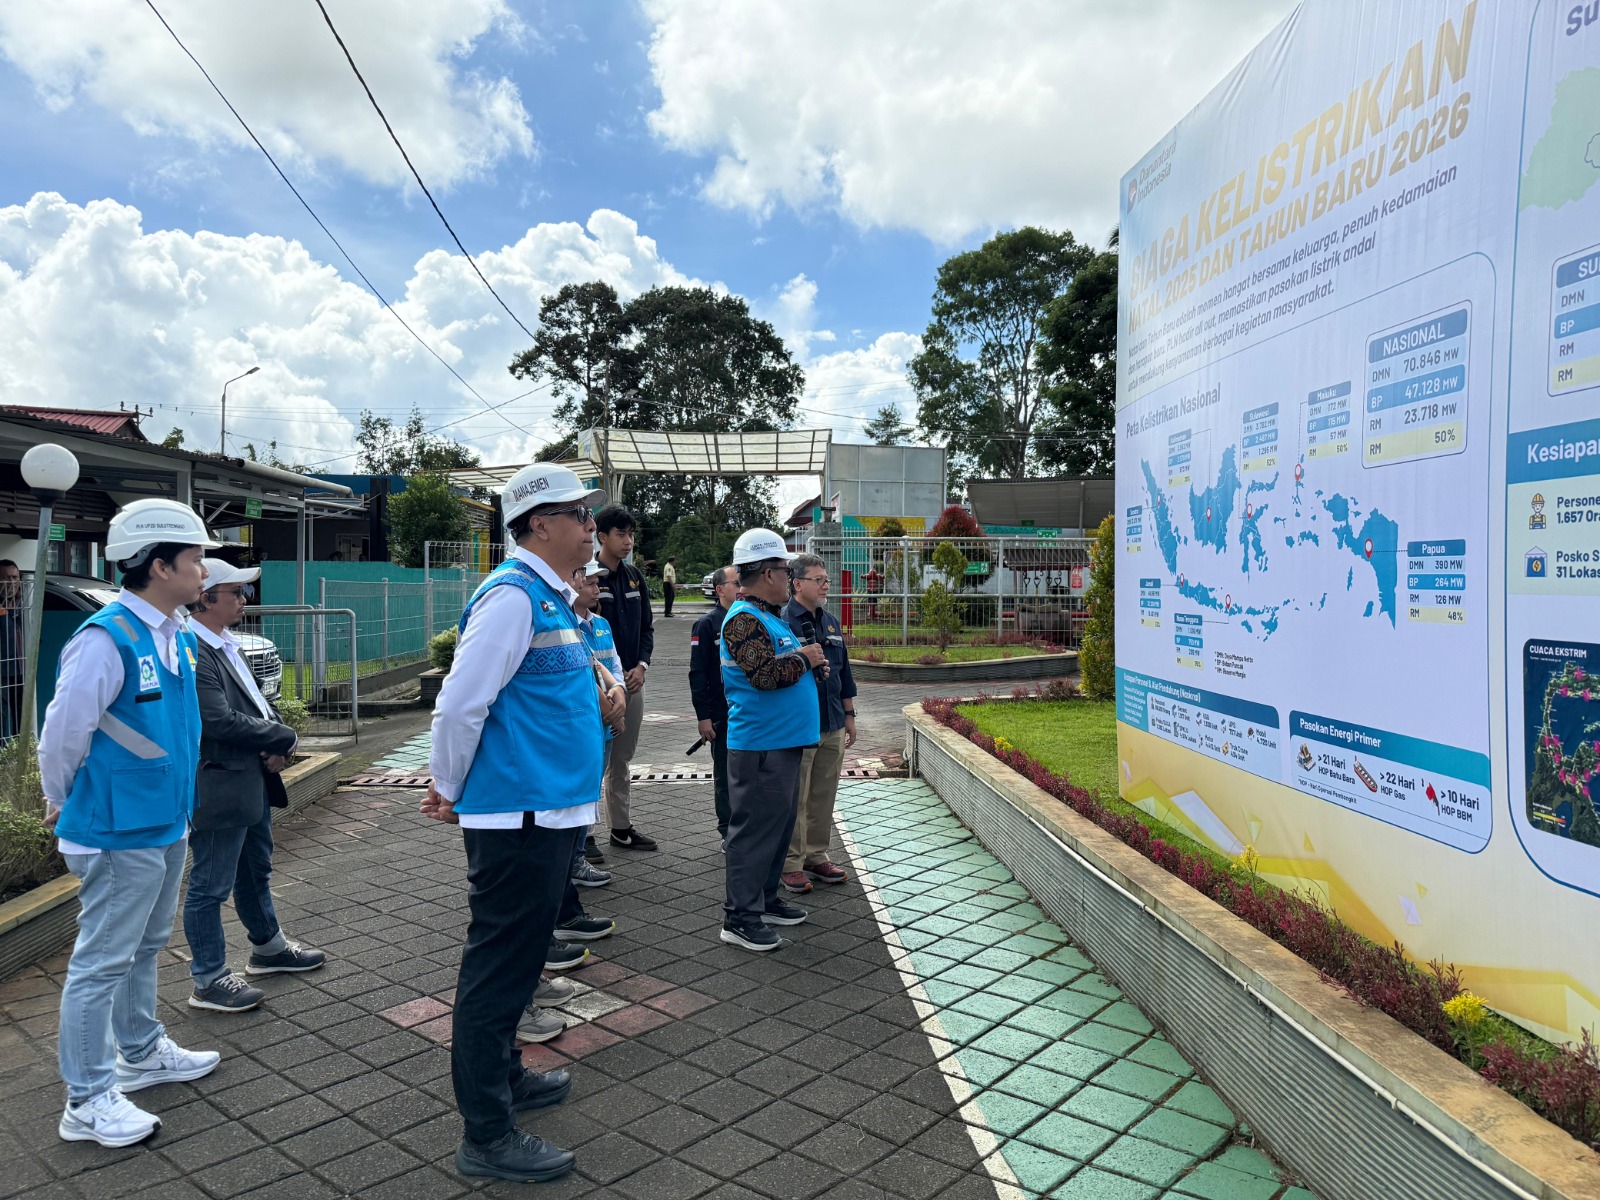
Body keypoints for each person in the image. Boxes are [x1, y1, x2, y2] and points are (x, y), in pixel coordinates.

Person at [423, 463, 611, 1185]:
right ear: (538, 523)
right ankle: (486, 1134)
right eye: (579, 514)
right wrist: (446, 786)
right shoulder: (511, 598)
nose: (591, 526)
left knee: (524, 958)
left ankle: (506, 1079)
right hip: (519, 814)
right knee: (498, 970)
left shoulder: (549, 597)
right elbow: (459, 703)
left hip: (550, 808)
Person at [38, 499, 223, 1148]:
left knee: (144, 946)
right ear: (160, 565)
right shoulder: (105, 639)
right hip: (117, 831)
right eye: (195, 559)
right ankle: (87, 1100)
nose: (204, 571)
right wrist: (61, 799)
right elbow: (61, 734)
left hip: (165, 821)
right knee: (100, 963)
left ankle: (140, 1053)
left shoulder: (174, 633)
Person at [182, 559, 325, 1013]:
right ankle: (208, 979)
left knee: (254, 869)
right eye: (237, 592)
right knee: (210, 884)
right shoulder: (193, 649)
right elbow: (216, 720)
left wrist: (279, 739)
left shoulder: (226, 644)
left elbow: (261, 701)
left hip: (248, 778)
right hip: (219, 781)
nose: (246, 599)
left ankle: (268, 948)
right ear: (206, 598)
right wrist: (281, 737)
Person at [718, 529, 826, 952]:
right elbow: (764, 676)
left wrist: (806, 663)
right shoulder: (744, 619)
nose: (790, 578)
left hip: (780, 742)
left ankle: (763, 901)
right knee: (754, 833)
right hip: (761, 746)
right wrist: (804, 658)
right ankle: (740, 918)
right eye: (785, 570)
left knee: (776, 831)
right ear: (767, 573)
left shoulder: (768, 616)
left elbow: (779, 667)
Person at [780, 554, 858, 894]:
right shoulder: (782, 622)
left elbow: (844, 672)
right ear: (797, 584)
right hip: (800, 725)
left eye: (826, 579)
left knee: (824, 795)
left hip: (833, 721)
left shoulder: (830, 622)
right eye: (819, 579)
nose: (826, 585)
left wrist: (849, 715)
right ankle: (790, 863)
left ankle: (816, 855)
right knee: (796, 796)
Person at [593, 505, 656, 853]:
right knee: (593, 758)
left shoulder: (634, 577)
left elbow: (647, 627)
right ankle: (583, 836)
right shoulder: (587, 577)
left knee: (621, 759)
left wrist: (642, 667)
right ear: (602, 537)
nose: (628, 541)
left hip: (632, 682)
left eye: (631, 534)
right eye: (621, 534)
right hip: (598, 686)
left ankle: (620, 828)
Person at [689, 565, 736, 846]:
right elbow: (698, 673)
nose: (741, 588)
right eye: (735, 583)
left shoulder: (749, 619)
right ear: (720, 590)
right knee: (726, 776)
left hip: (748, 712)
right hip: (721, 714)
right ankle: (727, 831)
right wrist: (703, 716)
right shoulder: (707, 624)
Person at [0, 559, 23, 742]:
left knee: (21, 715)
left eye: (15, 578)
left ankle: (20, 749)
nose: (11, 582)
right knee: (3, 716)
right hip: (3, 670)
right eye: (6, 578)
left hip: (22, 669)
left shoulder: (24, 603)